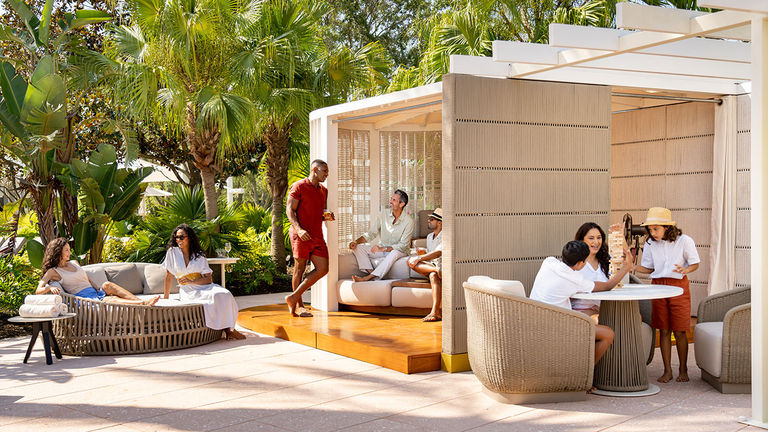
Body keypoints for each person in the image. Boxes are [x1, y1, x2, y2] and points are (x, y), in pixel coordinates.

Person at [530, 240, 632, 366]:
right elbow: (607, 286)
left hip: (534, 323)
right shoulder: (574, 280)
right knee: (608, 334)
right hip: (557, 329)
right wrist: (627, 266)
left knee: (593, 319)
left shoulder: (548, 262)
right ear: (580, 263)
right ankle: (586, 374)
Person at [633, 207, 699, 383]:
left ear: (667, 227)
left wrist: (685, 269)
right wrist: (632, 267)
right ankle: (667, 370)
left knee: (680, 331)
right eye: (650, 229)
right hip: (658, 286)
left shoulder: (684, 241)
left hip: (679, 286)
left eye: (656, 228)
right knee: (663, 330)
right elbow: (649, 268)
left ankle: (683, 369)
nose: (652, 232)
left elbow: (695, 263)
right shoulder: (649, 244)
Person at [162, 224, 245, 340]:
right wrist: (166, 299)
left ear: (189, 237)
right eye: (176, 237)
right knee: (213, 299)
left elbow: (208, 279)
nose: (178, 240)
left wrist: (193, 281)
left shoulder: (199, 255)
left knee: (224, 294)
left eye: (181, 237)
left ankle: (230, 329)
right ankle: (228, 330)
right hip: (187, 290)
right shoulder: (172, 252)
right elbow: (169, 276)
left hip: (204, 287)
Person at [36, 238, 160, 306]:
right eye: (66, 250)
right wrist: (49, 287)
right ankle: (143, 304)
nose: (69, 253)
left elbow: (87, 279)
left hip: (93, 291)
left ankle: (138, 302)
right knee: (111, 300)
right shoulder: (53, 271)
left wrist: (97, 288)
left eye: (69, 250)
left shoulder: (74, 263)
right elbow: (38, 291)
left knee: (107, 285)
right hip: (84, 298)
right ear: (58, 252)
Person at [285, 159, 334, 317]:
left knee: (323, 268)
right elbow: (290, 211)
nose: (327, 174)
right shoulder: (299, 186)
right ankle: (299, 306)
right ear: (314, 170)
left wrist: (326, 216)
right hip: (301, 235)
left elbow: (317, 211)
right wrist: (298, 230)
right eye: (324, 171)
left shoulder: (323, 190)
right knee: (299, 269)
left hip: (317, 235)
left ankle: (293, 297)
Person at [350, 189, 414, 282]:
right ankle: (373, 274)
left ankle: (367, 278)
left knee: (394, 252)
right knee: (358, 248)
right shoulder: (383, 214)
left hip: (399, 251)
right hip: (383, 249)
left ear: (401, 204)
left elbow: (403, 246)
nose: (390, 201)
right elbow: (371, 234)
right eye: (391, 199)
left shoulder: (408, 221)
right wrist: (356, 242)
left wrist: (383, 249)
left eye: (394, 200)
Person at [570, 222, 615, 321]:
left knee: (635, 318)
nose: (596, 242)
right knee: (602, 320)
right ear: (582, 240)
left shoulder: (606, 260)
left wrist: (619, 234)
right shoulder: (575, 263)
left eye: (599, 238)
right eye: (591, 238)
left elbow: (623, 259)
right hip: (582, 310)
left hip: (604, 309)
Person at [408, 208, 443, 322]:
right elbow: (429, 254)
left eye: (431, 219)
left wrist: (420, 258)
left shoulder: (446, 235)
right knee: (410, 261)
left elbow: (439, 253)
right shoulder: (429, 237)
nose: (428, 220)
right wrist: (419, 255)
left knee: (433, 275)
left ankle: (435, 312)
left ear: (439, 222)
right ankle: (437, 270)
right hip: (433, 266)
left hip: (440, 264)